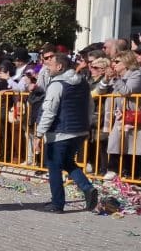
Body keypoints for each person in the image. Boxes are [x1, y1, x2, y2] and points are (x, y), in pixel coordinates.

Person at [34, 53, 99, 213]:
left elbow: (49, 111)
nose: (47, 68)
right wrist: (86, 124)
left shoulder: (57, 84)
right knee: (67, 162)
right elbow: (90, 106)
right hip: (79, 130)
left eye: (50, 65)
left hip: (60, 132)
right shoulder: (82, 83)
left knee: (54, 166)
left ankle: (57, 203)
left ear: (60, 67)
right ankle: (87, 188)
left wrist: (39, 134)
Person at [99, 51, 141, 180]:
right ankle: (113, 169)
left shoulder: (136, 74)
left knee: (134, 145)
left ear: (126, 63)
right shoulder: (118, 77)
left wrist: (115, 78)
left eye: (116, 62)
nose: (113, 64)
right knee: (115, 142)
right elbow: (101, 90)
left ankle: (136, 174)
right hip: (119, 115)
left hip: (133, 115)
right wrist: (106, 78)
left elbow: (127, 91)